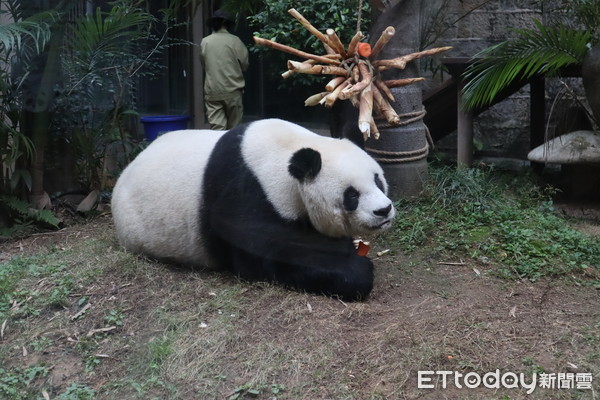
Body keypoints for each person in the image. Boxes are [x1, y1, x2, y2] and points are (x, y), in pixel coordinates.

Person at [200, 9, 249, 130]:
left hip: (212, 91)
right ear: (227, 24)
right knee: (234, 130)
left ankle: (218, 149)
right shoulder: (235, 41)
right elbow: (245, 64)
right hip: (233, 89)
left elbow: (204, 64)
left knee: (217, 130)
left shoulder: (205, 42)